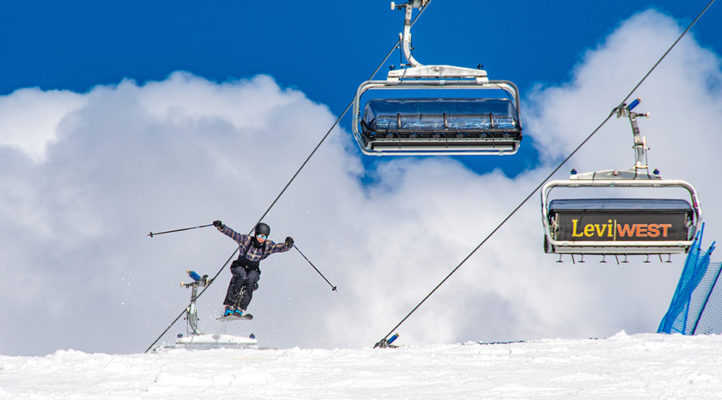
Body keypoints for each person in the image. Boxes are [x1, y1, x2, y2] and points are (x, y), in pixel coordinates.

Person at [212, 220, 294, 317]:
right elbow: (233, 234)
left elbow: (279, 247)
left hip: (253, 269)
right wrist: (221, 227)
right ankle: (229, 306)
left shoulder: (267, 246)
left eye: (264, 237)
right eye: (259, 236)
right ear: (255, 234)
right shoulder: (246, 240)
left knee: (251, 279)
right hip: (240, 265)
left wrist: (288, 245)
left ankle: (240, 308)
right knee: (241, 276)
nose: (261, 239)